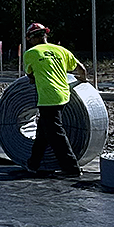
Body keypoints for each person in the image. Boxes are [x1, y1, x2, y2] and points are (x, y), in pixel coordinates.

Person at [22, 22, 88, 177]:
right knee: (43, 131)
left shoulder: (31, 53)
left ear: (31, 38)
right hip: (64, 95)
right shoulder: (61, 50)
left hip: (48, 98)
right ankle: (33, 163)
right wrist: (83, 82)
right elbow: (82, 69)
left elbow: (30, 76)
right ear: (45, 35)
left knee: (56, 134)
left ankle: (72, 168)